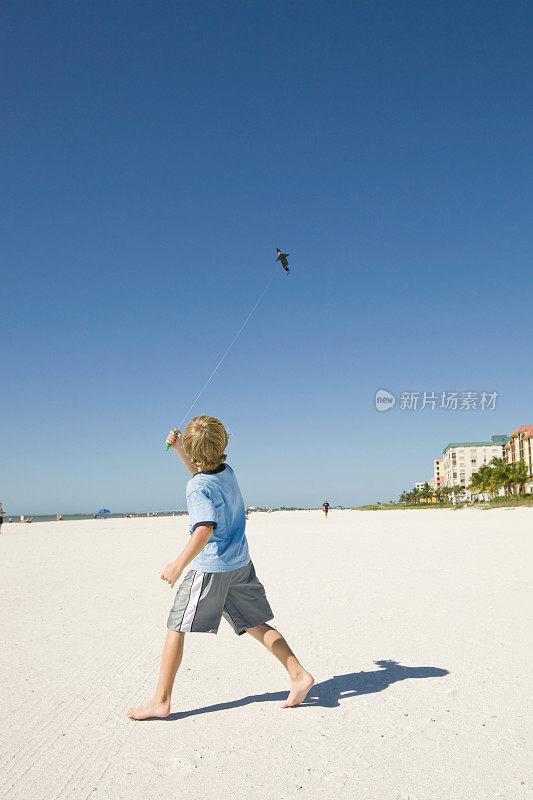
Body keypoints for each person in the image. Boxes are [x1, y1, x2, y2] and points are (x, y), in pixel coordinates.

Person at [127, 415, 313, 720]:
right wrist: (179, 450)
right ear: (223, 443)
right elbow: (202, 474)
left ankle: (160, 700)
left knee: (176, 626)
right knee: (255, 624)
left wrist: (177, 564)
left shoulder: (195, 487)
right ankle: (298, 675)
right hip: (239, 561)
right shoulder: (227, 472)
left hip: (210, 568)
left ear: (193, 449)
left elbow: (205, 527)